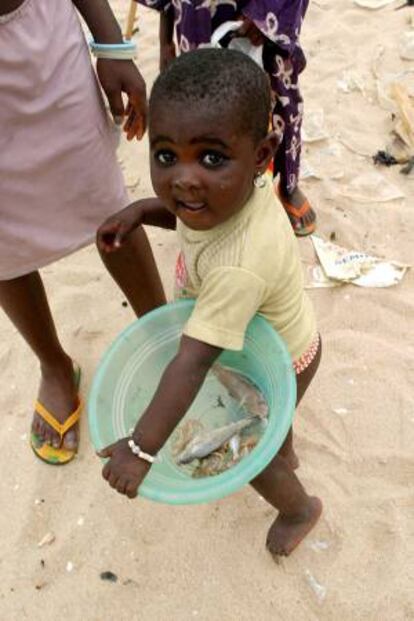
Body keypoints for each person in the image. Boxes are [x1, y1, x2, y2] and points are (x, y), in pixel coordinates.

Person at [97, 49, 322, 557]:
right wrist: (140, 211)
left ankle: (299, 508)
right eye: (165, 155)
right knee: (273, 431)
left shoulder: (238, 266)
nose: (184, 179)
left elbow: (192, 362)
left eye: (211, 157)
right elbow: (183, 207)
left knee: (253, 456)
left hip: (278, 359)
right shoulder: (226, 195)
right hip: (255, 340)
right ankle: (283, 441)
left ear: (262, 156)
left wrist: (139, 449)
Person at [0, 0, 166, 465]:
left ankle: (161, 334)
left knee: (106, 205)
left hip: (46, 52)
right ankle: (53, 364)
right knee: (2, 243)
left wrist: (112, 45)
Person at [136, 0, 316, 237]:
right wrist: (165, 40)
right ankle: (216, 193)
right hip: (196, 17)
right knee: (202, 109)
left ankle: (286, 183)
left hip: (262, 19)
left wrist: (263, 13)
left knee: (276, 99)